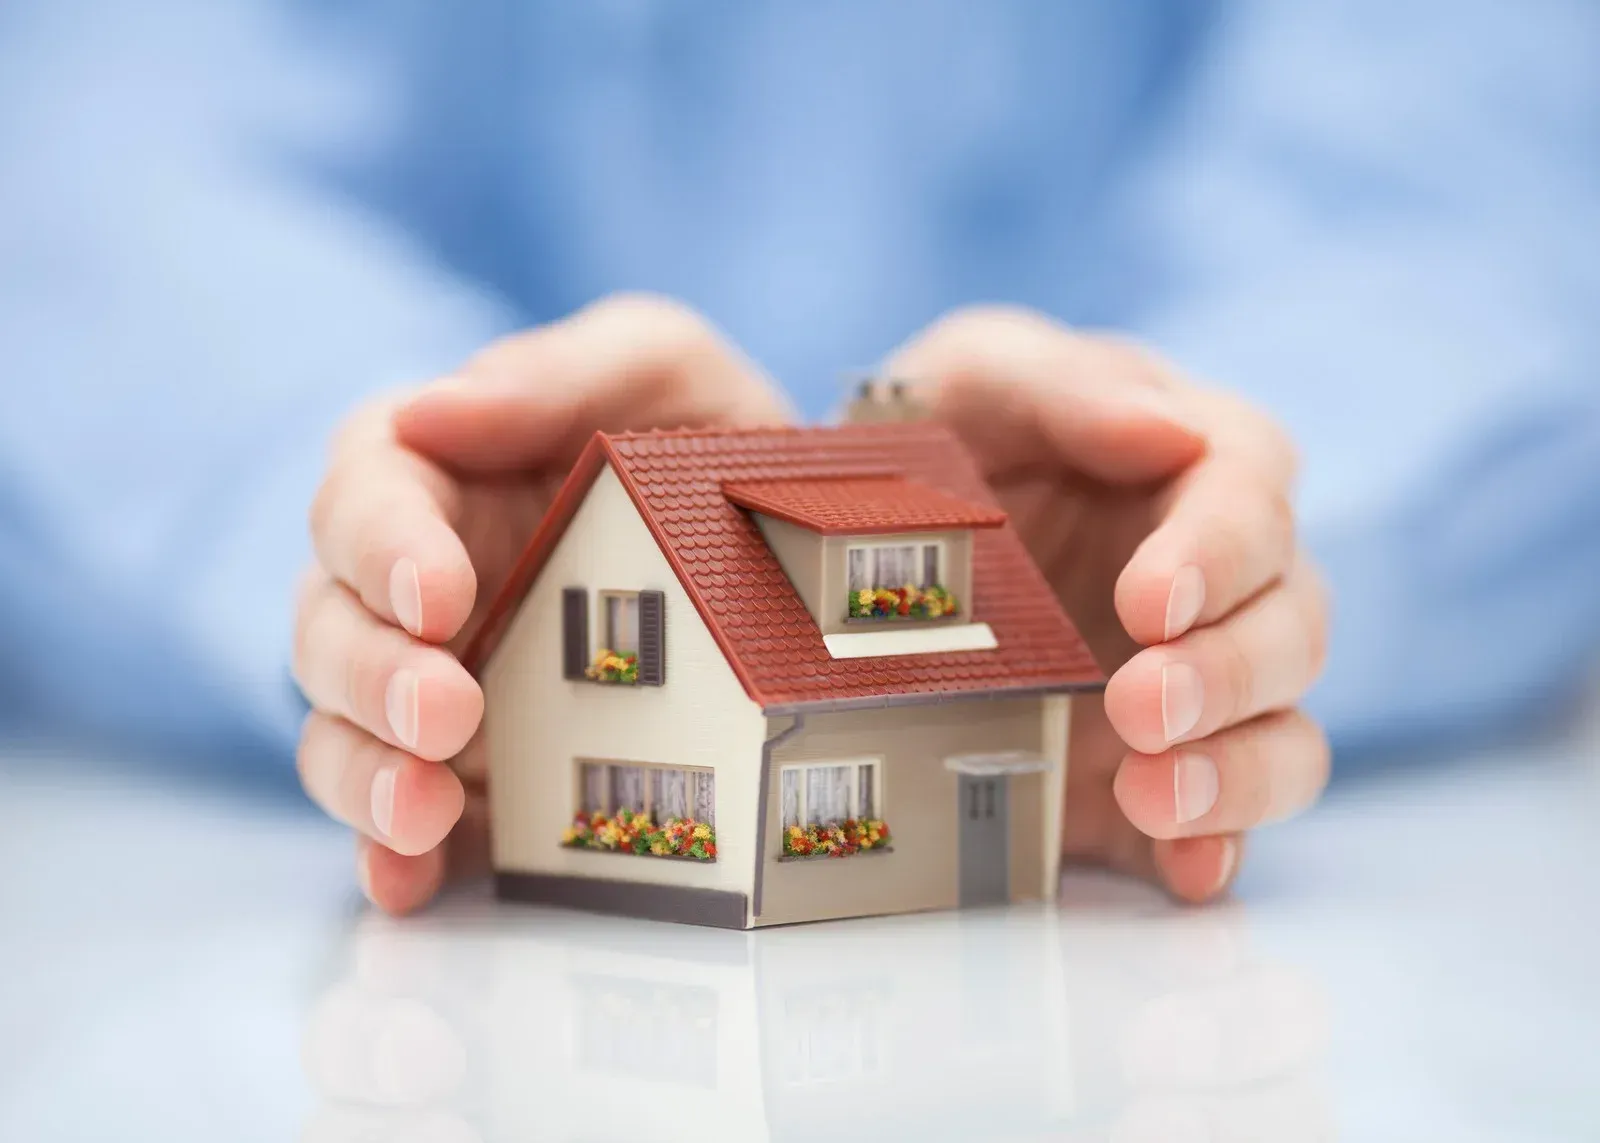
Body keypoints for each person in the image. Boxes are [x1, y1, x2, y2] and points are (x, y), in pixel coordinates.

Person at [1, 2, 1595, 915]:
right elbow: (97, 169)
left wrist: (1212, 529)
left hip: (1070, 616)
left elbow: (1494, 196)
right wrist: (384, 504)